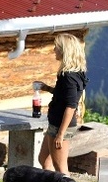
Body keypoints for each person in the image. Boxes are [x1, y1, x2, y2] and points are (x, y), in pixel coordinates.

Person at [36, 33, 88, 175]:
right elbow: (65, 96)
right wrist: (48, 88)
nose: (54, 50)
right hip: (56, 124)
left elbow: (71, 105)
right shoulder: (76, 73)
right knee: (44, 160)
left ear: (65, 51)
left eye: (56, 47)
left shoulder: (68, 76)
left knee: (60, 168)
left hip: (61, 126)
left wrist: (61, 134)